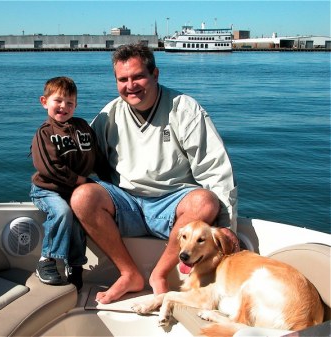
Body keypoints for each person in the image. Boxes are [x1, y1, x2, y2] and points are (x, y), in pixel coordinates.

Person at [70, 44, 238, 304]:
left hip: (173, 205)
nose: (131, 85)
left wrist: (226, 228)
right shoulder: (109, 114)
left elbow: (215, 170)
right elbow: (85, 161)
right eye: (122, 79)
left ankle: (159, 274)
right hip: (126, 202)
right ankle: (129, 274)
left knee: (205, 201)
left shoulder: (184, 109)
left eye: (138, 76)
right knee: (82, 197)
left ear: (155, 74)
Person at [30, 76, 109, 291]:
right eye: (58, 101)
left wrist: (108, 178)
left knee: (78, 219)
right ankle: (47, 260)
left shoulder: (83, 127)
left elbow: (96, 156)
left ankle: (75, 265)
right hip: (48, 189)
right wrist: (80, 180)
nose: (63, 106)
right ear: (44, 102)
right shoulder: (44, 133)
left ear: (75, 105)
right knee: (63, 212)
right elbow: (50, 167)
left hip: (74, 189)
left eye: (70, 103)